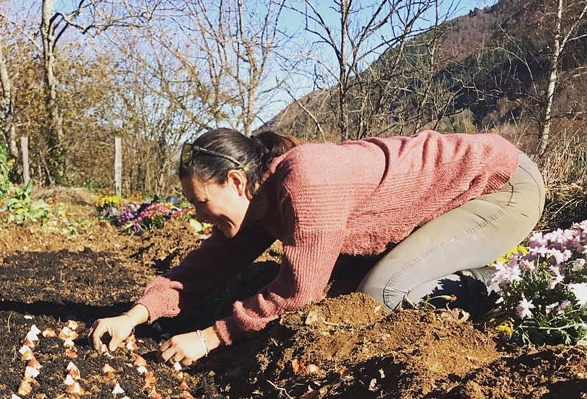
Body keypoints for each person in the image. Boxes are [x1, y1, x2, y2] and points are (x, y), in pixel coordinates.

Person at [90, 126, 546, 364]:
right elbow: (206, 267)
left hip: (499, 186)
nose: (198, 215)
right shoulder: (257, 202)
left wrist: (210, 337)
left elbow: (299, 291)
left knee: (380, 294)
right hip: (448, 197)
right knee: (353, 286)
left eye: (201, 202)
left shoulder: (304, 182)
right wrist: (134, 316)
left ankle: (490, 286)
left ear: (236, 181)